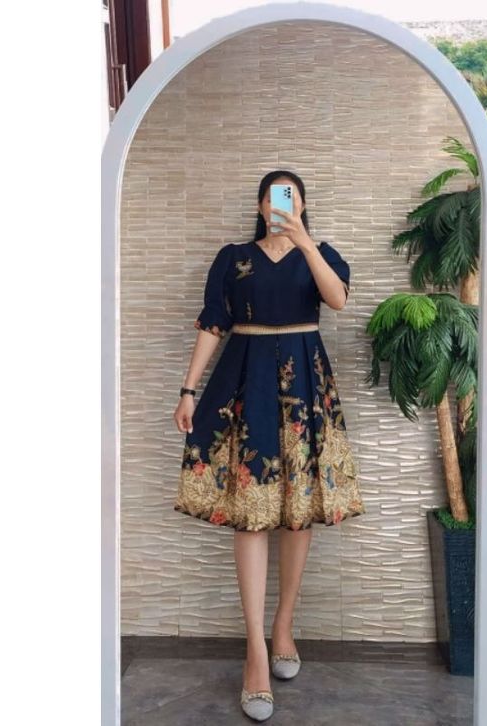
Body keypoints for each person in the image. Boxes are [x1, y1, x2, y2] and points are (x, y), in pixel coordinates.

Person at [173, 169, 366, 721]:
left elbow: (337, 300)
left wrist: (304, 241)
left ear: (302, 206)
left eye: (291, 198)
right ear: (260, 205)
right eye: (273, 197)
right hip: (246, 380)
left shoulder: (321, 253)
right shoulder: (233, 258)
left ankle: (284, 626)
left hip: (305, 384)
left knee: (297, 514)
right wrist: (188, 390)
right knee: (250, 512)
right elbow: (214, 323)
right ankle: (255, 649)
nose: (281, 205)